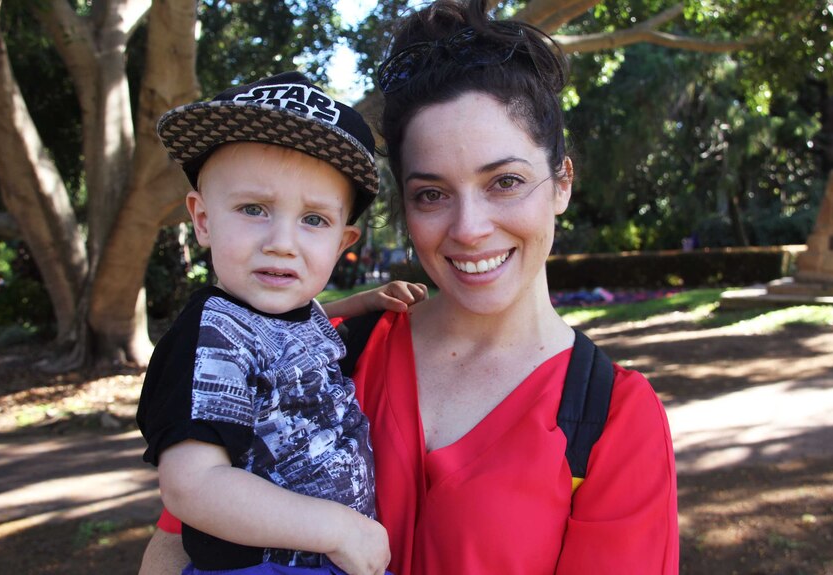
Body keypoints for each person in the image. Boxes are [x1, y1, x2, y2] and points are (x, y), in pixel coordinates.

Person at [140, 1, 679, 573]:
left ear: (561, 182)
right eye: (431, 193)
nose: (469, 228)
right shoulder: (325, 355)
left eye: (506, 182)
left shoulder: (613, 419)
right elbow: (179, 541)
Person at [137, 71, 427, 575]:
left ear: (342, 243)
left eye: (313, 219)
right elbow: (192, 485)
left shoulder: (279, 312)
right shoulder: (212, 339)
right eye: (254, 208)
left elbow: (306, 321)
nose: (282, 242)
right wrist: (338, 528)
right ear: (203, 220)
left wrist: (365, 303)